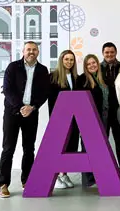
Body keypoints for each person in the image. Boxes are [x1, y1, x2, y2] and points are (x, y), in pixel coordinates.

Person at [0, 41, 50, 198]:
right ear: (23, 51)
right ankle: (3, 184)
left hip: (32, 114)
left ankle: (26, 181)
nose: (31, 52)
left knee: (29, 149)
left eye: (34, 49)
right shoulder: (13, 67)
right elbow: (7, 89)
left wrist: (32, 107)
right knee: (8, 148)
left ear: (38, 52)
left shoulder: (42, 70)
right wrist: (21, 107)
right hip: (12, 113)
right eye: (28, 49)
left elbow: (44, 92)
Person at [76, 54, 109, 187]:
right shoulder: (82, 79)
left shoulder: (103, 78)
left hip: (103, 117)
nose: (92, 65)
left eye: (94, 63)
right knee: (87, 148)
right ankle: (89, 179)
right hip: (89, 119)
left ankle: (99, 175)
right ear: (85, 66)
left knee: (100, 148)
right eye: (88, 64)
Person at [48, 50, 79, 189]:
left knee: (70, 146)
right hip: (60, 118)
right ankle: (55, 176)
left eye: (72, 60)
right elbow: (52, 100)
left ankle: (63, 173)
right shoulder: (53, 77)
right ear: (61, 60)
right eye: (67, 59)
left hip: (74, 119)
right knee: (58, 147)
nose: (69, 62)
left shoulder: (76, 77)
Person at [100, 42, 120, 168]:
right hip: (103, 111)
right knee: (102, 141)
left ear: (116, 52)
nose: (109, 54)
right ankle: (104, 169)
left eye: (112, 52)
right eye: (106, 52)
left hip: (119, 111)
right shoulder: (97, 68)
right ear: (103, 53)